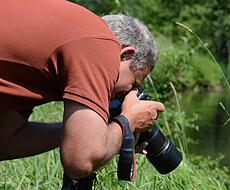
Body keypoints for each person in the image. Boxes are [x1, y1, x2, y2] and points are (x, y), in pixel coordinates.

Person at [0, 0, 165, 180]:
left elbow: (6, 141)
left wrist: (99, 133)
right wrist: (129, 121)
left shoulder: (48, 51)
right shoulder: (100, 43)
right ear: (125, 54)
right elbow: (80, 162)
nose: (127, 94)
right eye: (133, 84)